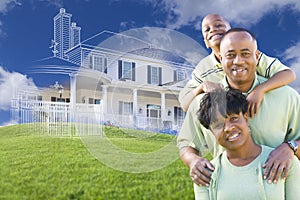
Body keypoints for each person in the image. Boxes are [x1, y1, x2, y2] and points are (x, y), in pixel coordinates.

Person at [177, 28, 300, 189]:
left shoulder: (286, 96)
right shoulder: (203, 103)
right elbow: (186, 144)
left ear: (256, 57)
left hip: (278, 191)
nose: (238, 61)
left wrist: (290, 148)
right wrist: (193, 161)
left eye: (245, 54)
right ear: (221, 58)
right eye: (230, 55)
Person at [179, 14, 296, 117]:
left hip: (261, 112)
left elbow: (288, 74)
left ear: (231, 33)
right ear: (206, 42)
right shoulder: (203, 68)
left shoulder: (250, 57)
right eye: (207, 29)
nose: (213, 30)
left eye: (219, 25)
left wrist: (259, 90)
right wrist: (201, 87)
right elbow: (185, 104)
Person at [194, 89, 300, 200]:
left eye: (234, 118)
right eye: (219, 125)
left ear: (245, 119)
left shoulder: (285, 162)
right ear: (212, 132)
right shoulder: (205, 174)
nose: (229, 128)